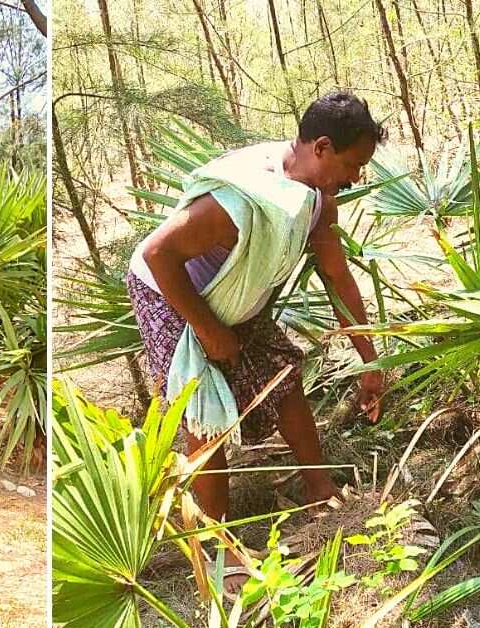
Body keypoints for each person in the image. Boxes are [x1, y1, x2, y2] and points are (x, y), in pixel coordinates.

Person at [126, 90, 385, 542]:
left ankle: (319, 491)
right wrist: (209, 331)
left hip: (237, 294)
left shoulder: (317, 201)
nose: (356, 176)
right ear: (321, 147)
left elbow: (338, 278)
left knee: (283, 376)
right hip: (168, 291)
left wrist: (371, 363)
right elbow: (159, 253)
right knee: (203, 410)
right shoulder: (241, 197)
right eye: (352, 164)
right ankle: (217, 542)